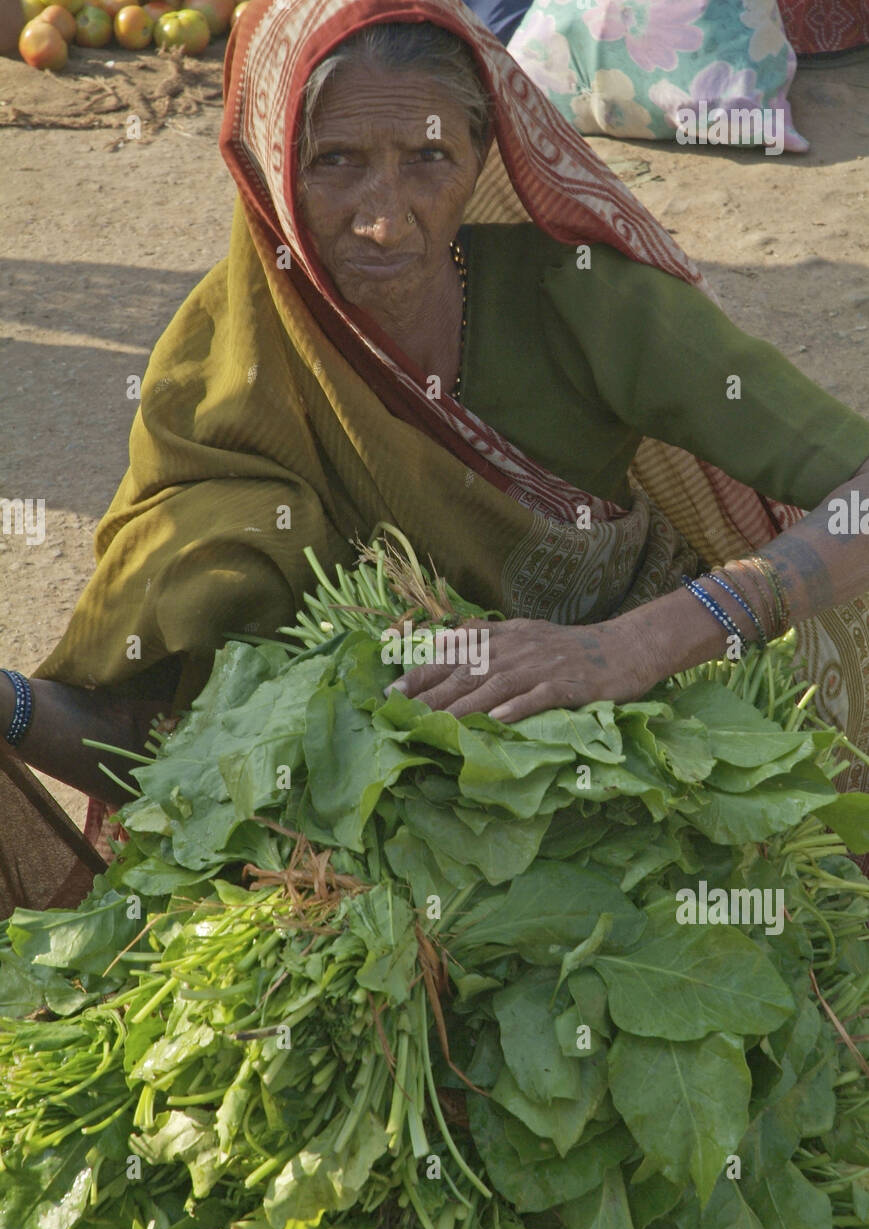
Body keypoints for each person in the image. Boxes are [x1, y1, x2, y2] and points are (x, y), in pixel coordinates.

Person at [3, 0, 869, 912]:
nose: (385, 222)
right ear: (269, 164)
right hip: (348, 842)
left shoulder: (574, 295)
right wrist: (13, 705)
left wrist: (631, 647)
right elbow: (158, 747)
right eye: (333, 162)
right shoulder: (219, 377)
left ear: (484, 155)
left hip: (638, 737)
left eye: (428, 160)